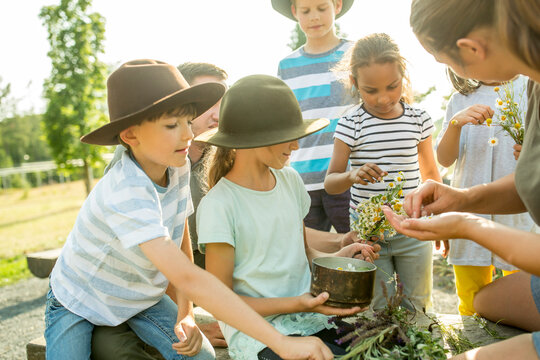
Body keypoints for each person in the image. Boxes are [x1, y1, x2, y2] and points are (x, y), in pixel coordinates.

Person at [44, 59, 339, 360]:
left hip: (143, 298)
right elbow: (190, 277)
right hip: (80, 299)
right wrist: (280, 342)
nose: (187, 134)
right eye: (172, 125)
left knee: (201, 357)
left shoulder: (178, 164)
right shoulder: (125, 190)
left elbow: (180, 232)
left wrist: (185, 314)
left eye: (188, 121)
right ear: (131, 135)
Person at [382, 0, 540, 358]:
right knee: (484, 301)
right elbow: (532, 183)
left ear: (471, 49)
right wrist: (463, 198)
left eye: (446, 60)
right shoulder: (534, 86)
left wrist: (469, 226)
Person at [194, 74, 380, 359]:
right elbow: (221, 301)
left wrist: (343, 258)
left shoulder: (290, 180)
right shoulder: (219, 204)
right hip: (257, 334)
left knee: (392, 348)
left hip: (310, 320)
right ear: (250, 138)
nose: (295, 146)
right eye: (287, 137)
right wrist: (299, 303)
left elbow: (302, 253)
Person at [92, 62, 228, 359]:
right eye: (208, 106)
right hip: (128, 285)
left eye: (223, 103)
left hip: (188, 280)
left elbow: (187, 241)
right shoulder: (133, 170)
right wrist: (188, 319)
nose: (218, 113)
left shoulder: (224, 153)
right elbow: (157, 256)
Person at [323, 33, 441, 311]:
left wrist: (439, 220)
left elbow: (432, 176)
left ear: (404, 76)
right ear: (354, 84)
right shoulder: (351, 123)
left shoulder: (418, 119)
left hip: (414, 228)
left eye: (392, 86)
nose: (383, 98)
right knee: (377, 306)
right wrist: (352, 176)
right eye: (371, 90)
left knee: (418, 304)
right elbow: (331, 183)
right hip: (369, 236)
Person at [436, 69, 533, 316]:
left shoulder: (530, 89)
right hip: (470, 215)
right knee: (470, 300)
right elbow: (444, 159)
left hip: (517, 218)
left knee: (526, 298)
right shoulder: (461, 98)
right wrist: (456, 124)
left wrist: (531, 155)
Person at [274, 0, 356, 234]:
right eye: (306, 11)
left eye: (321, 8)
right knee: (308, 255)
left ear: (337, 6)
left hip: (347, 176)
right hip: (303, 179)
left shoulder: (355, 53)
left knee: (360, 252)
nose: (314, 17)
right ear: (295, 12)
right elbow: (285, 122)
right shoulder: (286, 66)